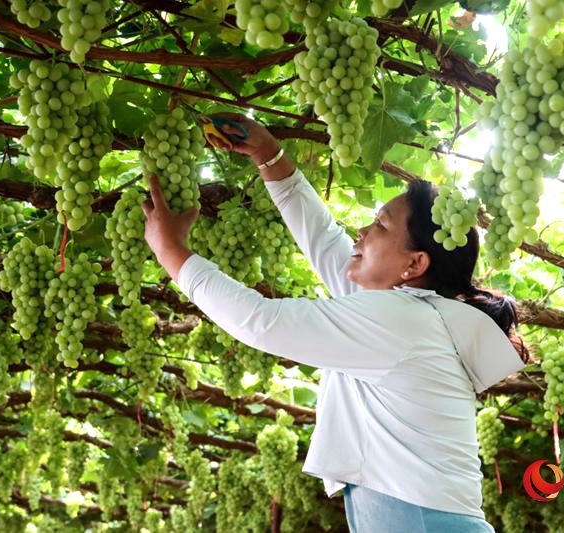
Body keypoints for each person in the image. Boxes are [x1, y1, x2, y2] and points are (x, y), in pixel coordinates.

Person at [141, 114, 531, 532]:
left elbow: (259, 320)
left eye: (379, 225)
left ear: (414, 264)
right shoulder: (413, 315)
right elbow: (324, 239)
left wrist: (170, 251)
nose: (362, 230)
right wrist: (268, 155)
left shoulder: (402, 321)